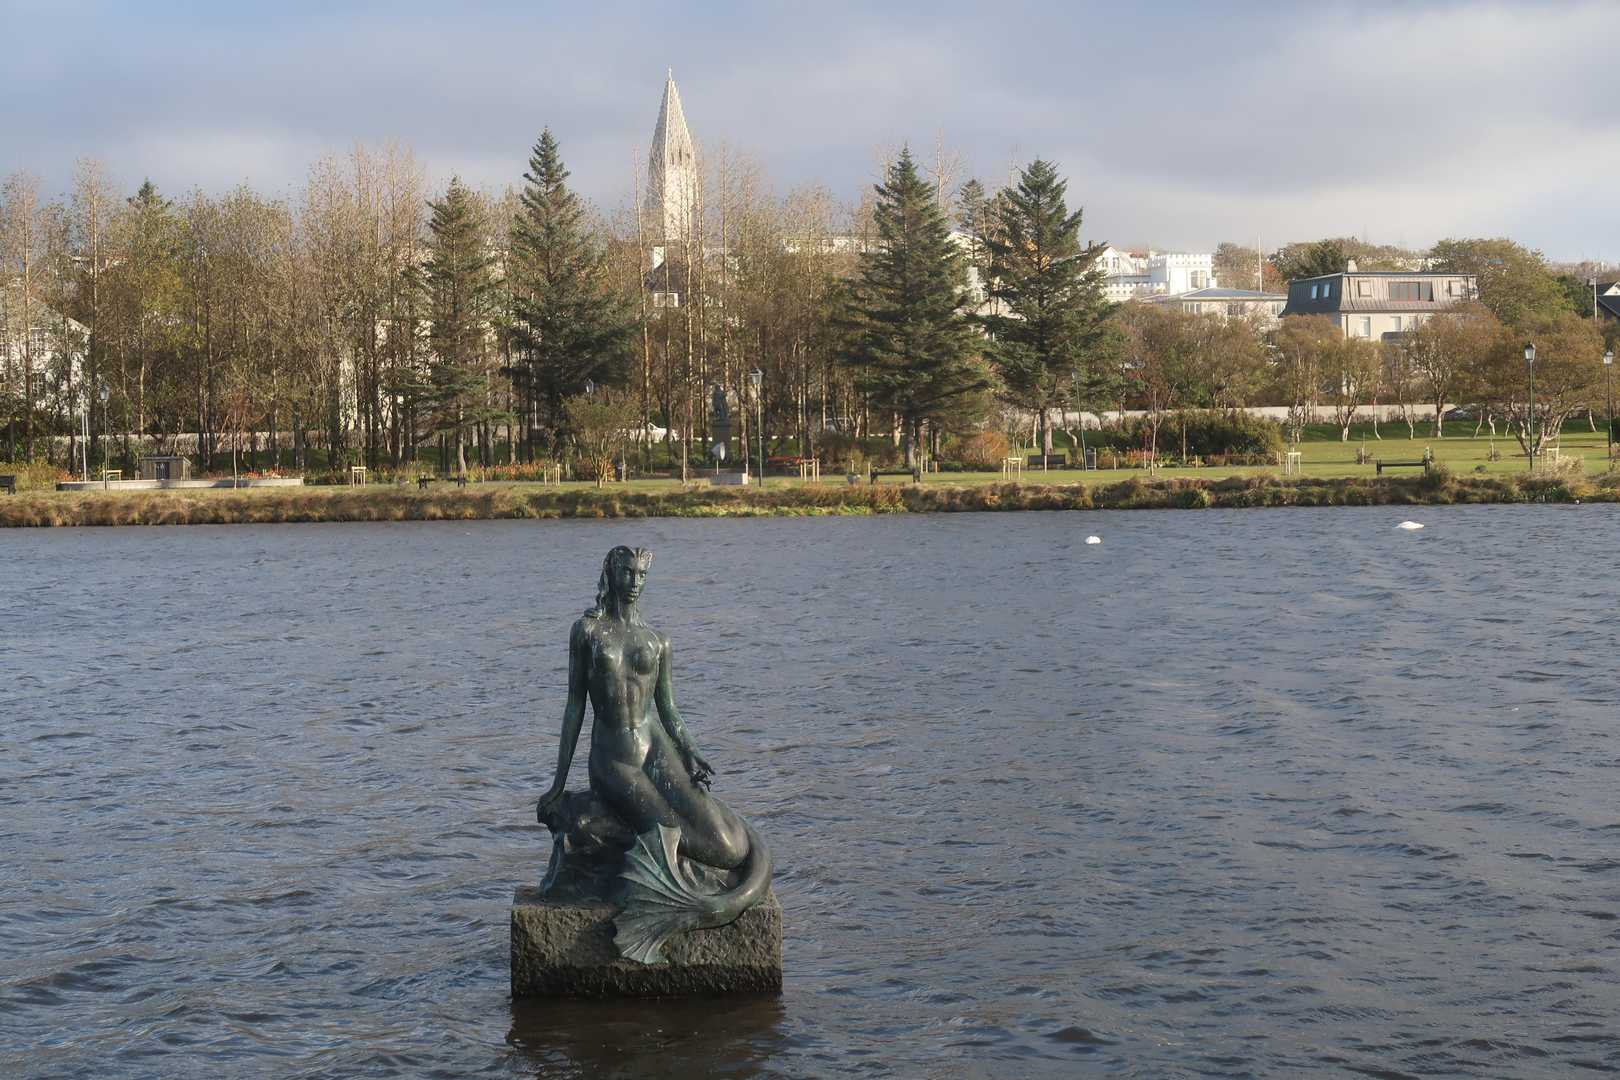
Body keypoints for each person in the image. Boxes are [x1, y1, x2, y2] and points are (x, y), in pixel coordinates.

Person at [536, 545, 770, 963]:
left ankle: (655, 851)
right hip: (614, 758)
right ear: (611, 573)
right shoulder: (587, 632)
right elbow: (574, 708)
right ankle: (604, 842)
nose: (634, 582)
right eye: (627, 572)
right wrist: (558, 782)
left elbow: (669, 709)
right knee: (676, 835)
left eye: (641, 574)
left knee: (728, 848)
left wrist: (691, 751)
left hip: (656, 748)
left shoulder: (658, 640)